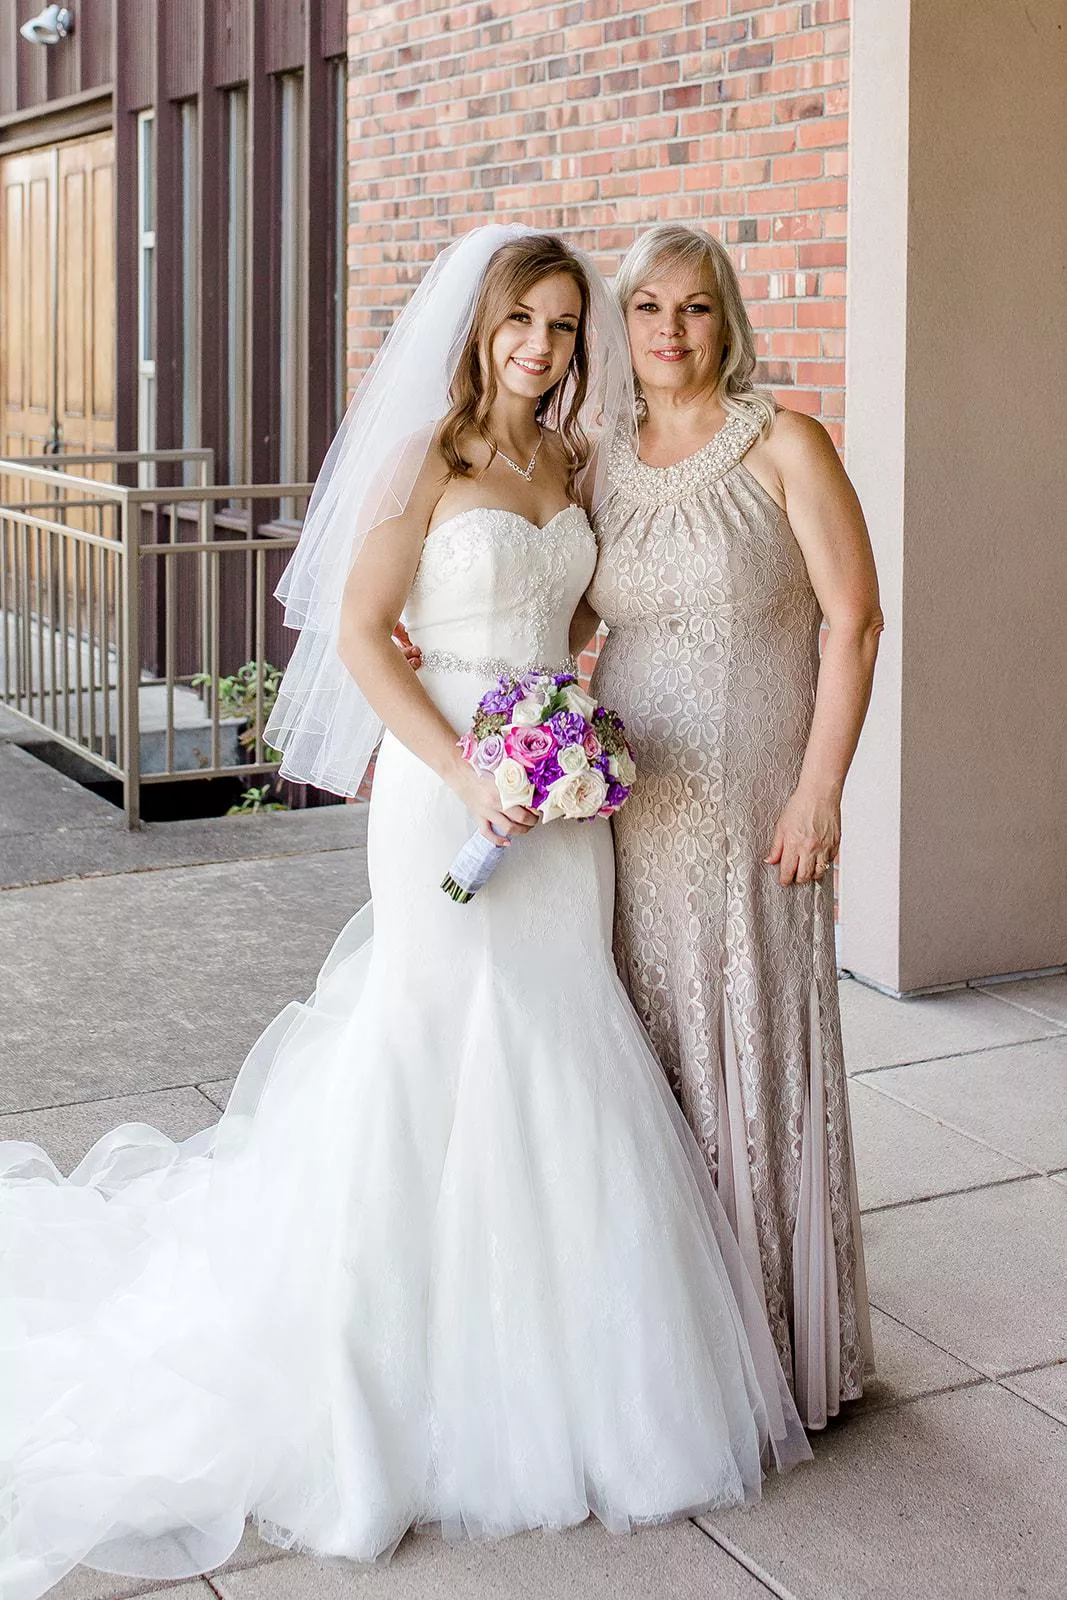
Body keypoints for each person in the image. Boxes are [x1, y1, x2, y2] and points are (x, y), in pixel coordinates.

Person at [0, 226, 809, 1600]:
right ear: (480, 328)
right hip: (443, 795)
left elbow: (576, 629)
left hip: (555, 816)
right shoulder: (425, 465)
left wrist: (560, 740)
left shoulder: (571, 463)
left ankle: (559, 1367)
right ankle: (379, 1377)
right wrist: (462, 769)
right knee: (433, 1045)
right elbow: (365, 635)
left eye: (563, 328)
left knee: (558, 1047)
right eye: (522, 324)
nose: (542, 350)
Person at [574, 222, 881, 1431]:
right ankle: (670, 1354)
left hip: (759, 804)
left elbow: (850, 624)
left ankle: (780, 1351)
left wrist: (821, 788)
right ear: (621, 324)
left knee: (755, 1038)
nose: (667, 331)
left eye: (692, 308)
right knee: (645, 1044)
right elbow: (559, 622)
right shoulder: (594, 461)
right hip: (629, 809)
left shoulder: (783, 443)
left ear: (726, 317)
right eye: (644, 307)